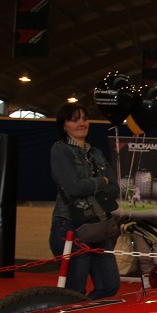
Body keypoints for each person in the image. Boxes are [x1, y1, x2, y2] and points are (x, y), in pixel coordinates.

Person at [49, 103, 121, 299]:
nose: (81, 123)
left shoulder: (96, 153)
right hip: (70, 225)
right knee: (75, 288)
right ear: (64, 125)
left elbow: (114, 188)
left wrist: (94, 185)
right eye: (74, 119)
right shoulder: (60, 150)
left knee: (110, 284)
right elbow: (73, 188)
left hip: (99, 226)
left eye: (84, 118)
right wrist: (102, 181)